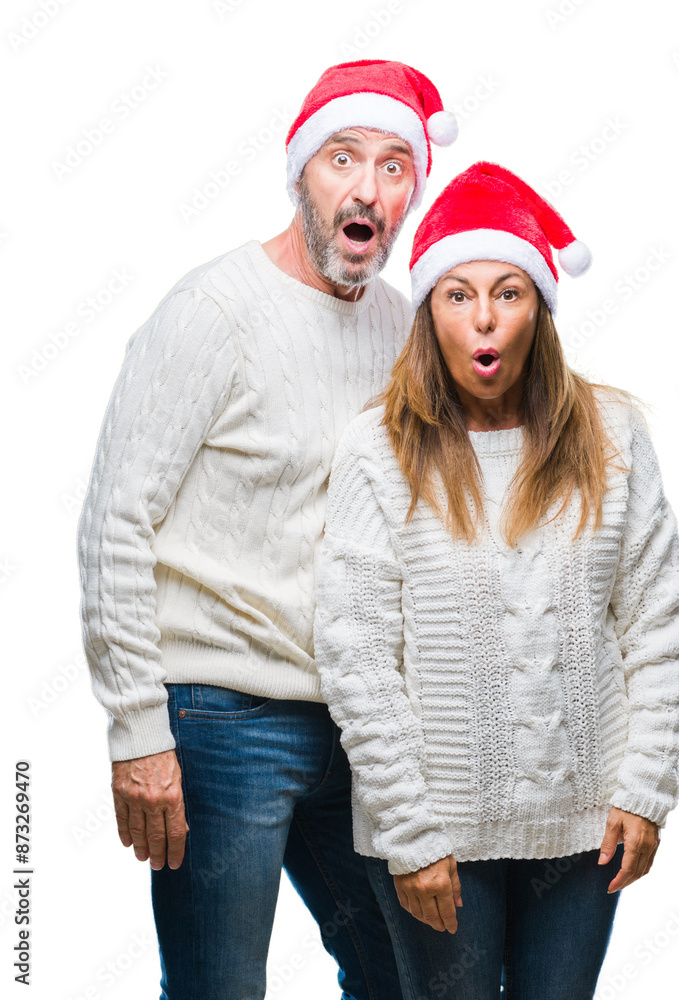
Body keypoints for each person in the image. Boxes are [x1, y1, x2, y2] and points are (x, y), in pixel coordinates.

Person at [76, 59, 458, 1000]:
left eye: (396, 166)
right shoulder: (213, 312)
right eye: (344, 159)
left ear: (414, 192)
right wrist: (138, 733)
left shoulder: (405, 332)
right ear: (301, 174)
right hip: (219, 721)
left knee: (410, 980)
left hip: (357, 726)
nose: (368, 188)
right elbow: (114, 521)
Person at [312, 161, 679, 999]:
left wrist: (646, 787)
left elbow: (656, 622)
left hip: (586, 824)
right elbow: (358, 656)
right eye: (457, 294)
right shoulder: (377, 450)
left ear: (542, 310)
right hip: (439, 828)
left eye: (509, 292)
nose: (483, 317)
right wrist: (411, 833)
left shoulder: (614, 437)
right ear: (428, 311)